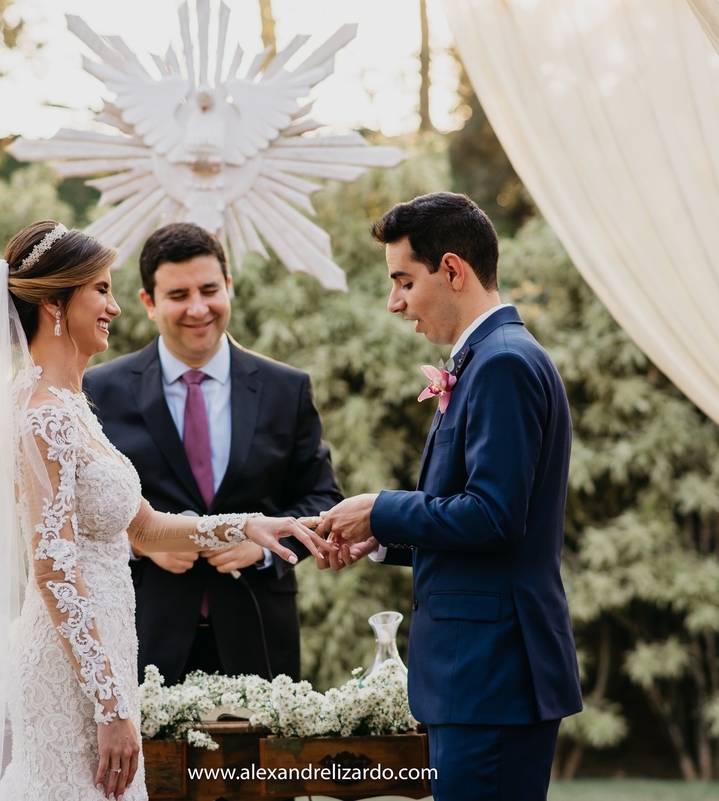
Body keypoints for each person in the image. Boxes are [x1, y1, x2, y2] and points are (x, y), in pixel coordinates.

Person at [0, 221, 324, 801]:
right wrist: (110, 705)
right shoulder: (43, 416)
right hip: (75, 675)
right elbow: (53, 568)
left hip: (106, 658)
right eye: (102, 291)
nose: (115, 307)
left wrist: (247, 526)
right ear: (56, 304)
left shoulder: (72, 407)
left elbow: (144, 527)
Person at [315, 193, 582, 801]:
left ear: (453, 271)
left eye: (404, 280)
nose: (395, 302)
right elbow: (475, 524)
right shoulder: (491, 358)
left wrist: (381, 506)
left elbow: (493, 517)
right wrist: (381, 537)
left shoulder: (503, 364)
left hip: (491, 676)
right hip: (481, 676)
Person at [85, 222, 342, 685]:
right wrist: (140, 541)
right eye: (178, 295)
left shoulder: (287, 388)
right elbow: (75, 514)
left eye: (209, 289)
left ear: (230, 287)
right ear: (148, 303)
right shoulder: (99, 390)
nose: (198, 308)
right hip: (143, 633)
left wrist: (262, 547)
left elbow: (322, 499)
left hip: (260, 634)